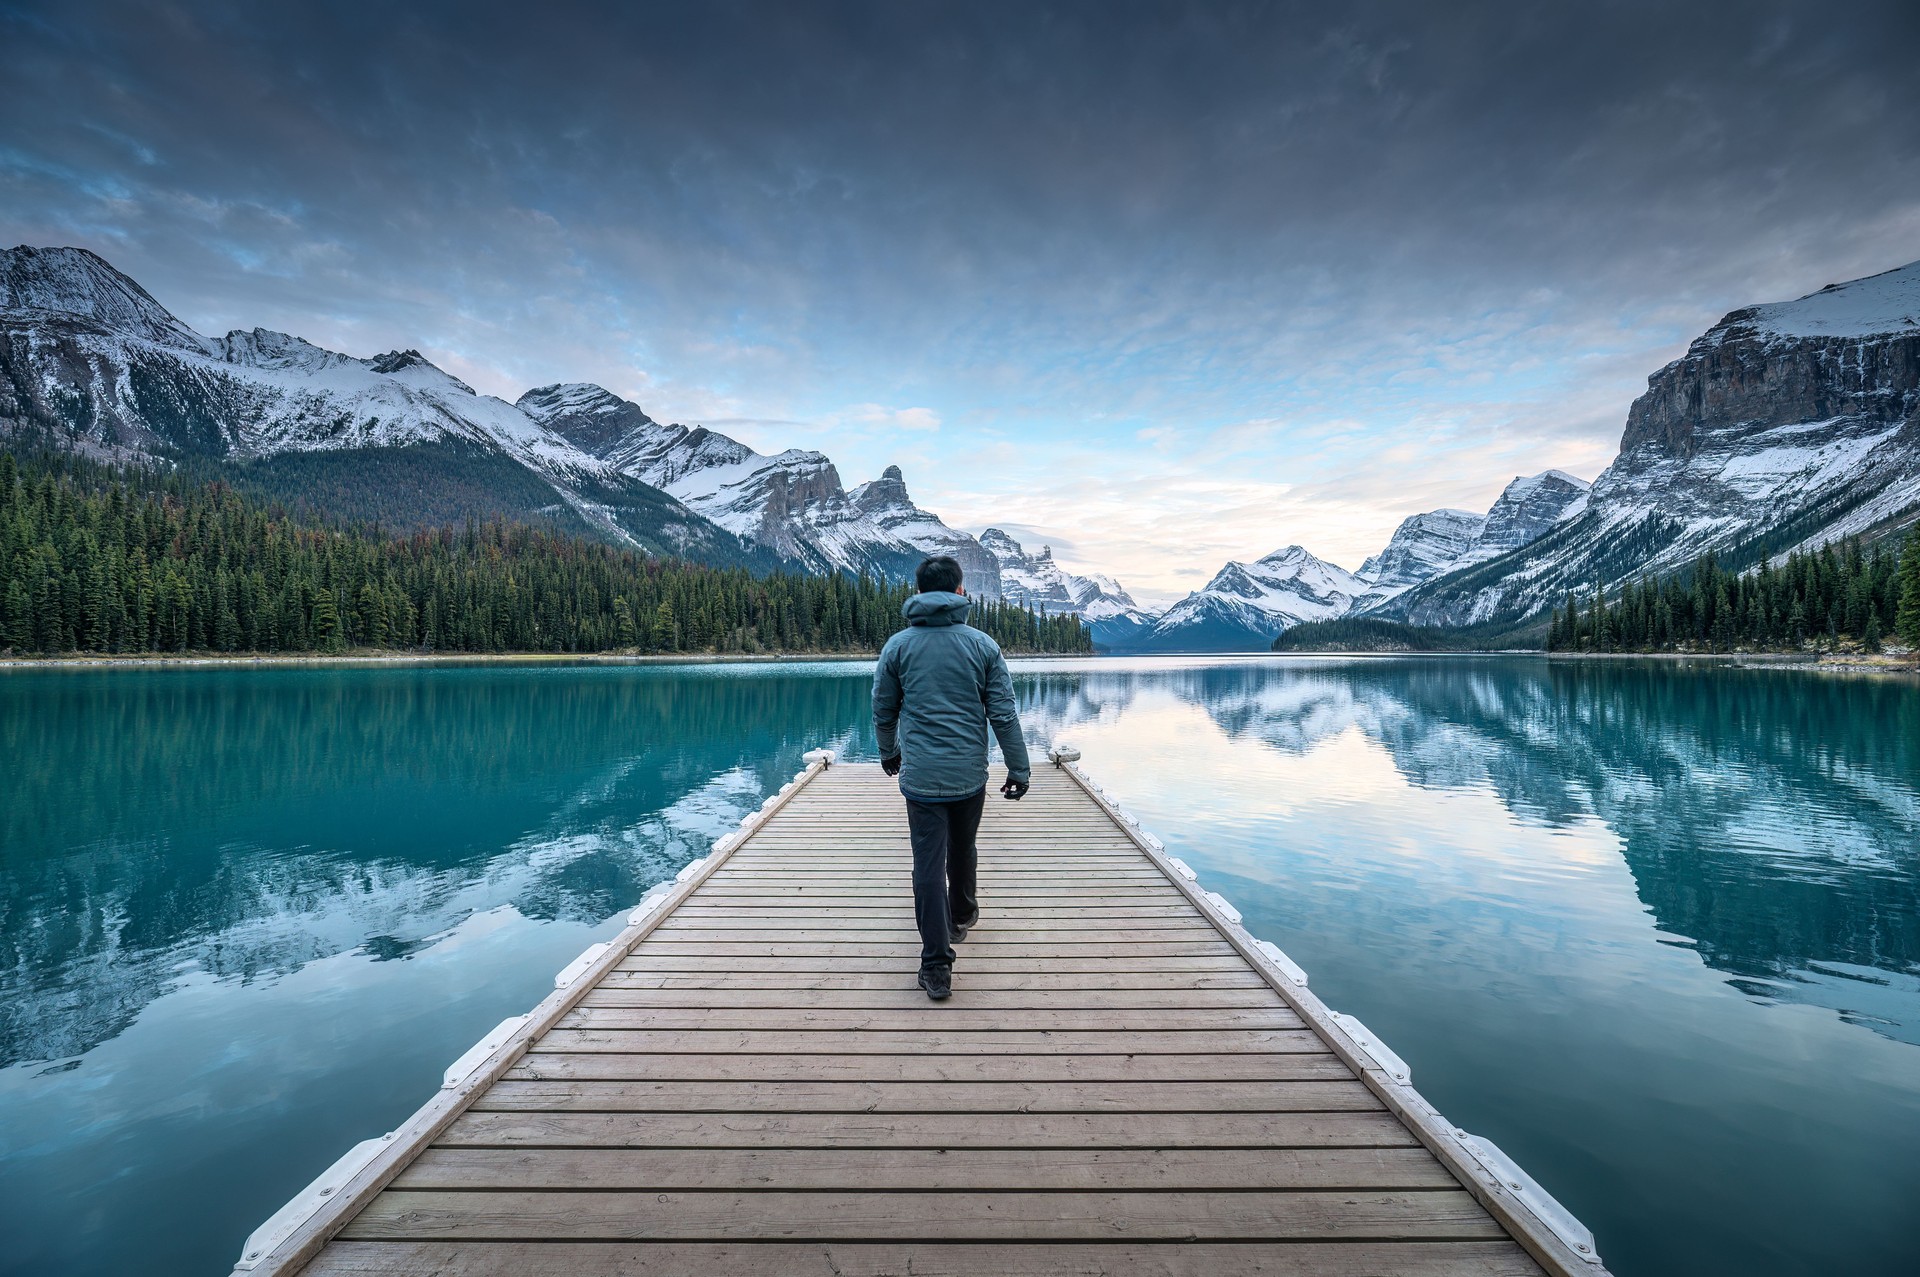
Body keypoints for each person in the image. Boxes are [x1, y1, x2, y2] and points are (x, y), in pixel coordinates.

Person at [872, 555, 1031, 1001]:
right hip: (968, 776)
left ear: (918, 593)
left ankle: (936, 967)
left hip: (920, 777)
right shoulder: (983, 645)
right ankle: (961, 916)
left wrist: (889, 753)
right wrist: (1018, 769)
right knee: (962, 847)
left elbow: (883, 710)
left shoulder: (898, 647)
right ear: (960, 592)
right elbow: (1003, 714)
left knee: (927, 863)